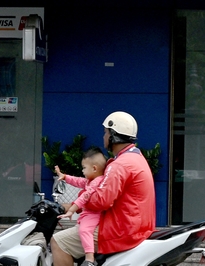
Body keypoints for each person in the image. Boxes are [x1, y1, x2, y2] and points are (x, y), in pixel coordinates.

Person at [50, 111, 156, 266]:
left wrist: (80, 199)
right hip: (136, 226)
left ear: (114, 136)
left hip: (122, 229)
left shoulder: (120, 165)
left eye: (106, 132)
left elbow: (101, 200)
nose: (104, 136)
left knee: (59, 242)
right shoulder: (135, 157)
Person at [54, 147, 107, 266]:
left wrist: (71, 210)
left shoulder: (97, 182)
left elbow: (85, 196)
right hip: (88, 214)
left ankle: (89, 258)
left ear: (94, 168)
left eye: (84, 168)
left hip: (93, 214)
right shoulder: (91, 180)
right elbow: (78, 181)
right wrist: (65, 177)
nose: (82, 171)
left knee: (84, 230)